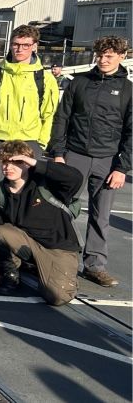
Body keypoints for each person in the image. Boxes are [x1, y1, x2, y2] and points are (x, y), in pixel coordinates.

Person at [49, 36, 131, 288]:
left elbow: (131, 131)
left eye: (109, 56)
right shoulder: (80, 83)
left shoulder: (128, 90)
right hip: (75, 154)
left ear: (121, 56)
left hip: (107, 160)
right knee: (62, 209)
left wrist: (122, 168)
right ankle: (58, 260)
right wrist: (58, 153)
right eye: (100, 55)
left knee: (101, 214)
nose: (103, 60)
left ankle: (95, 265)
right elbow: (62, 118)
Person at [0, 141, 83, 306]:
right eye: (5, 162)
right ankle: (13, 275)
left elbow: (76, 178)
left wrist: (36, 163)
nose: (8, 167)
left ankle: (60, 275)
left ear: (27, 163)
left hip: (57, 247)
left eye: (17, 162)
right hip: (27, 244)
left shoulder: (45, 183)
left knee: (56, 297)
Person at [0, 24, 59, 188]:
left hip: (29, 141)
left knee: (23, 189)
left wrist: (41, 143)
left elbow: (49, 114)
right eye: (16, 44)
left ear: (34, 46)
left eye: (26, 45)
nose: (19, 49)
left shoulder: (45, 79)